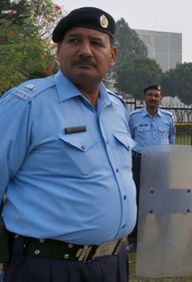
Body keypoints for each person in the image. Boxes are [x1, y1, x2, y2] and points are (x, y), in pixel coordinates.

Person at [0, 7, 134, 281]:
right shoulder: (26, 104)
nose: (85, 50)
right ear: (58, 51)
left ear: (113, 56)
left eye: (97, 43)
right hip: (48, 267)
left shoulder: (117, 108)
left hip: (114, 263)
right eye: (74, 41)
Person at [127, 84, 175, 251]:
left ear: (161, 98)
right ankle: (134, 240)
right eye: (150, 95)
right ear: (144, 97)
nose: (153, 98)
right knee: (138, 200)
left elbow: (171, 138)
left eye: (156, 95)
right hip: (140, 162)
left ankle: (164, 236)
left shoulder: (168, 117)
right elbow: (129, 139)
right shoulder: (134, 117)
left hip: (161, 164)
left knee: (162, 199)